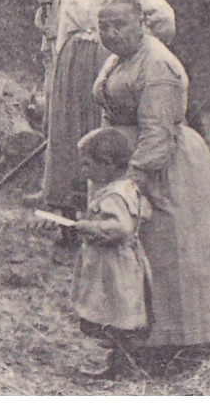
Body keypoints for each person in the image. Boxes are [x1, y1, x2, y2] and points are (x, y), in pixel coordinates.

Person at [93, 0, 210, 355]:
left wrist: (130, 182)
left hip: (166, 166)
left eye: (119, 24)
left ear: (141, 23)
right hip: (125, 160)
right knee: (127, 256)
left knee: (169, 255)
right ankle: (130, 342)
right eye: (103, 25)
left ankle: (173, 349)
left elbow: (157, 133)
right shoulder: (117, 60)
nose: (110, 32)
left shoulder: (157, 65)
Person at [39, 0, 176, 240]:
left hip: (74, 56)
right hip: (112, 55)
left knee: (72, 130)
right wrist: (143, 44)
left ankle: (70, 216)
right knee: (112, 130)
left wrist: (62, 69)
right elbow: (165, 21)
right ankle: (116, 209)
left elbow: (64, 32)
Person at [68, 126, 153, 380]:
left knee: (119, 314)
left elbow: (122, 227)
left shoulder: (115, 195)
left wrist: (90, 227)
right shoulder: (126, 188)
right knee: (116, 314)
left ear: (107, 164)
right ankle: (116, 365)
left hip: (115, 265)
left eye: (87, 165)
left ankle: (125, 368)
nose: (83, 171)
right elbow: (144, 212)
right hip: (117, 262)